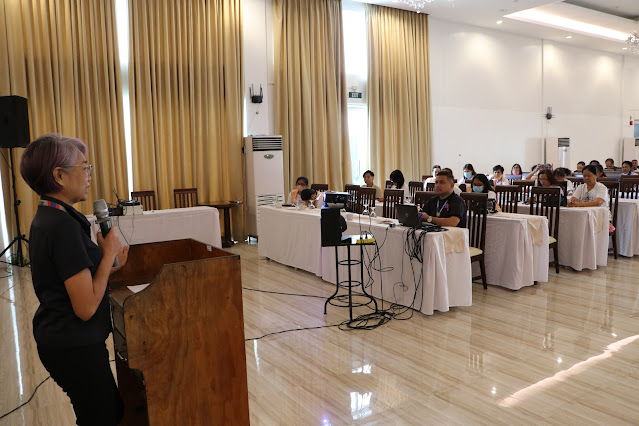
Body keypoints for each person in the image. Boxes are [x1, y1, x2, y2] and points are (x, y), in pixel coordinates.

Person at [19, 134, 129, 425]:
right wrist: (107, 255)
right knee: (102, 417)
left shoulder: (50, 216)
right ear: (59, 176)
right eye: (84, 166)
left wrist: (110, 266)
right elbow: (85, 308)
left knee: (106, 412)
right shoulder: (62, 226)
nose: (89, 174)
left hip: (63, 341)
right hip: (72, 345)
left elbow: (74, 281)